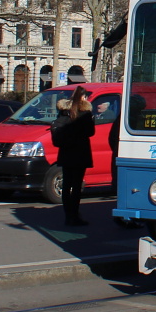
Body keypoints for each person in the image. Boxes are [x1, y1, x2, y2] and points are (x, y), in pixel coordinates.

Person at [51, 87, 95, 226]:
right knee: (76, 186)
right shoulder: (85, 113)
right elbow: (90, 132)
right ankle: (74, 215)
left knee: (67, 184)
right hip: (80, 152)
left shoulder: (63, 112)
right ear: (83, 97)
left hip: (66, 152)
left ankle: (67, 215)